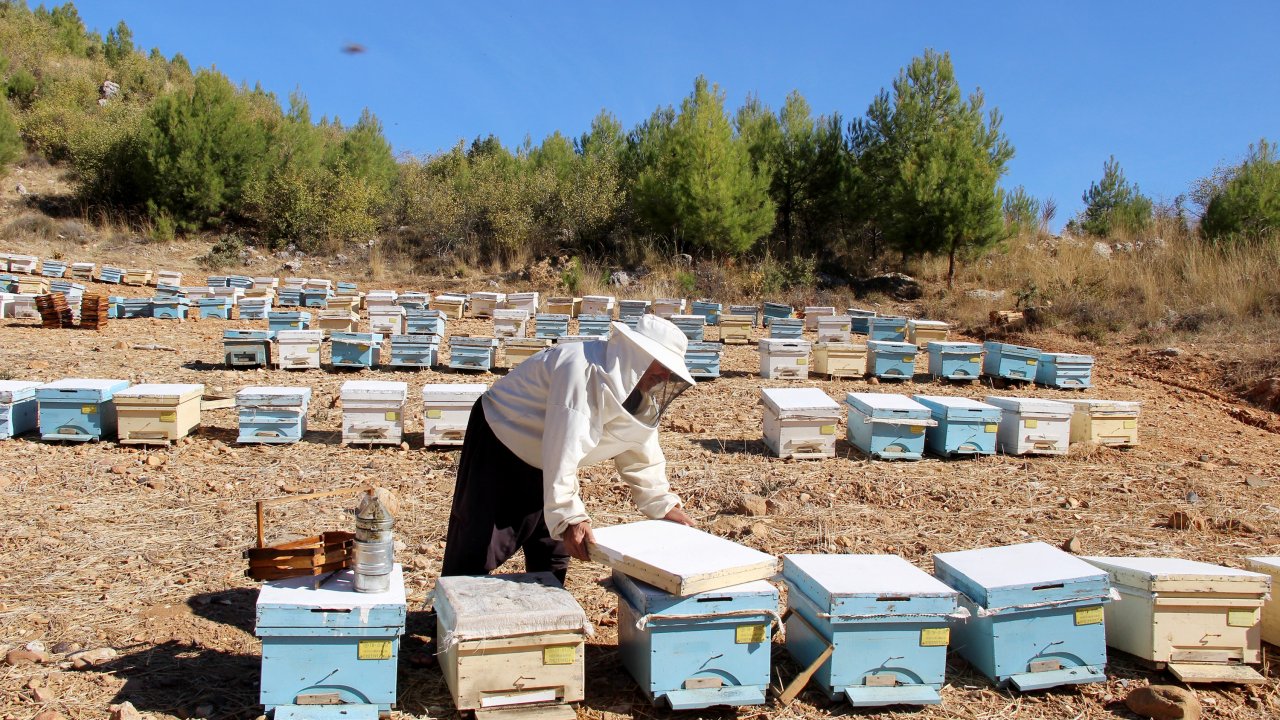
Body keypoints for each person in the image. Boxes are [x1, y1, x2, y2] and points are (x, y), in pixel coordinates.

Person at [441, 314, 697, 583]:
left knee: (553, 550)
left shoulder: (635, 389)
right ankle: (450, 602)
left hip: (549, 456)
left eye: (670, 370)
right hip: (502, 440)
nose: (665, 376)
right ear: (637, 356)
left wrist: (662, 504)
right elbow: (564, 444)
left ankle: (547, 602)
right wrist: (570, 517)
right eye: (661, 365)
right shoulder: (581, 370)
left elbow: (640, 449)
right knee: (479, 542)